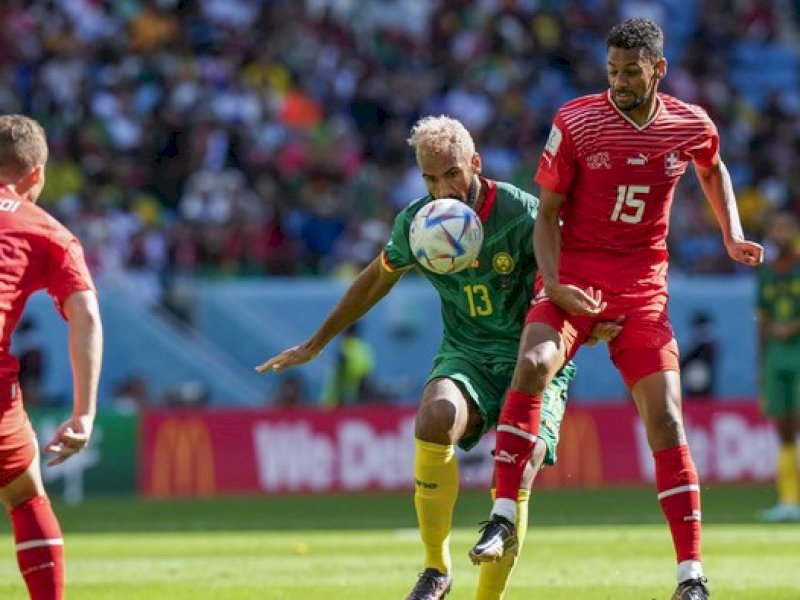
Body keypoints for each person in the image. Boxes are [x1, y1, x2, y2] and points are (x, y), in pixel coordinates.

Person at [256, 115, 621, 600]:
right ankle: (435, 569)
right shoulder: (418, 223)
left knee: (516, 464)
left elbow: (569, 270)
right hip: (467, 352)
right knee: (434, 417)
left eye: (450, 173)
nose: (441, 188)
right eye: (429, 177)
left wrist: (587, 326)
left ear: (475, 163)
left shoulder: (519, 212)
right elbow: (375, 279)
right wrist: (317, 342)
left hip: (531, 357)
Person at [468, 19, 763, 600]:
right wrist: (553, 285)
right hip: (574, 275)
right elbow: (548, 211)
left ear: (659, 69)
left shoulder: (689, 123)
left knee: (668, 419)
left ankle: (691, 576)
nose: (620, 81)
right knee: (533, 364)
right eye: (612, 71)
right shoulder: (576, 121)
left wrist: (731, 232)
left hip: (641, 288)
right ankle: (502, 512)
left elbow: (712, 165)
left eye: (631, 71)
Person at [0, 114, 103, 599]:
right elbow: (85, 315)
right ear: (36, 175)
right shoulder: (46, 230)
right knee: (24, 493)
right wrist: (84, 413)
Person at [756, 210, 800, 523]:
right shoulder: (766, 272)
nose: (781, 233)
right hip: (776, 356)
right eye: (776, 228)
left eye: (786, 227)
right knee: (783, 428)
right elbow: (763, 318)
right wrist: (761, 364)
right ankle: (788, 500)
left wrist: (794, 325)